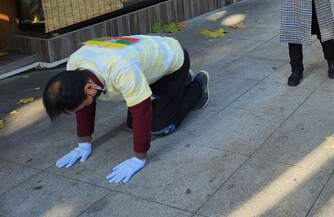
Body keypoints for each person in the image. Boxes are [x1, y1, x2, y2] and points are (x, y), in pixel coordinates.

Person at [42, 35, 209, 183]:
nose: (80, 110)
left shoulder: (121, 70)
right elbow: (85, 107)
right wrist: (83, 145)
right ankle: (177, 88)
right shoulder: (75, 66)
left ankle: (197, 86)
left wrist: (138, 159)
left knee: (159, 127)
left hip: (173, 61)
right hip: (147, 69)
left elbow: (142, 112)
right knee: (131, 125)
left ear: (88, 88)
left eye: (80, 106)